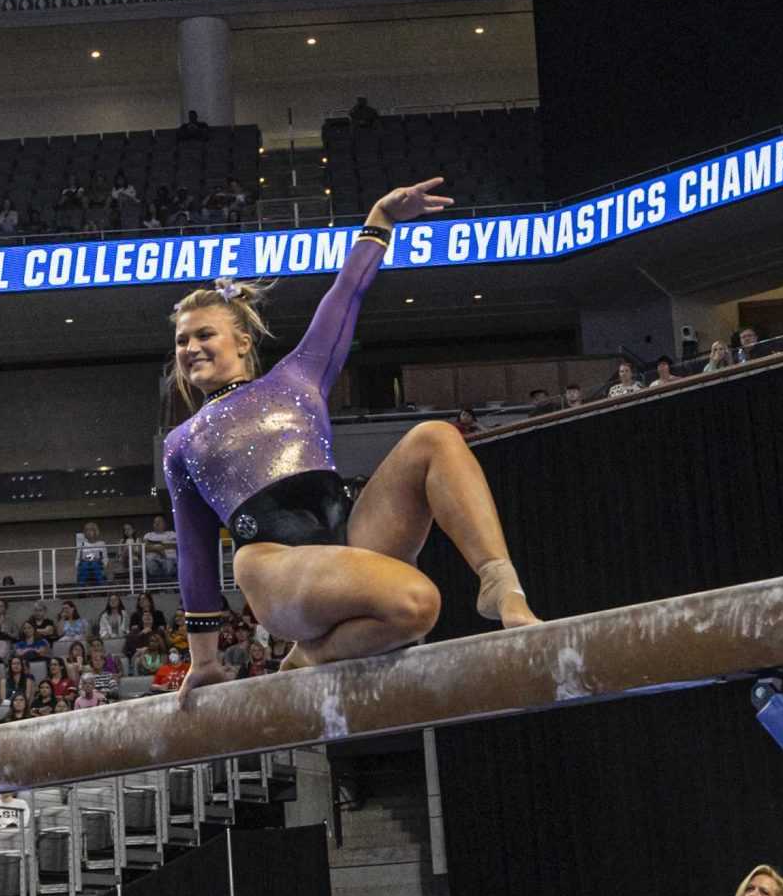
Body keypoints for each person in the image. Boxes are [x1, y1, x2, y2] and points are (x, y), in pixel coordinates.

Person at [163, 178, 537, 704]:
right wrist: (204, 661)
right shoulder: (182, 441)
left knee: (435, 438)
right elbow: (195, 551)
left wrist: (379, 219)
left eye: (205, 334)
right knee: (415, 604)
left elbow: (347, 294)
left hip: (343, 545)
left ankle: (501, 583)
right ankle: (313, 651)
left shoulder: (299, 377)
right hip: (273, 567)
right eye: (182, 340)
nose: (192, 347)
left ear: (243, 341)